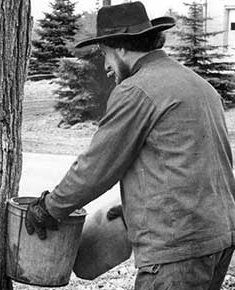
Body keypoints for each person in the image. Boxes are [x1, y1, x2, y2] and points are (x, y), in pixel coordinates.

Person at [24, 2, 235, 290]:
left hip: (176, 249)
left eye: (105, 54)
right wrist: (135, 206)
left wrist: (50, 208)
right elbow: (193, 164)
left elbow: (97, 166)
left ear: (121, 48)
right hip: (220, 238)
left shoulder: (136, 90)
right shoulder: (200, 85)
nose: (106, 66)